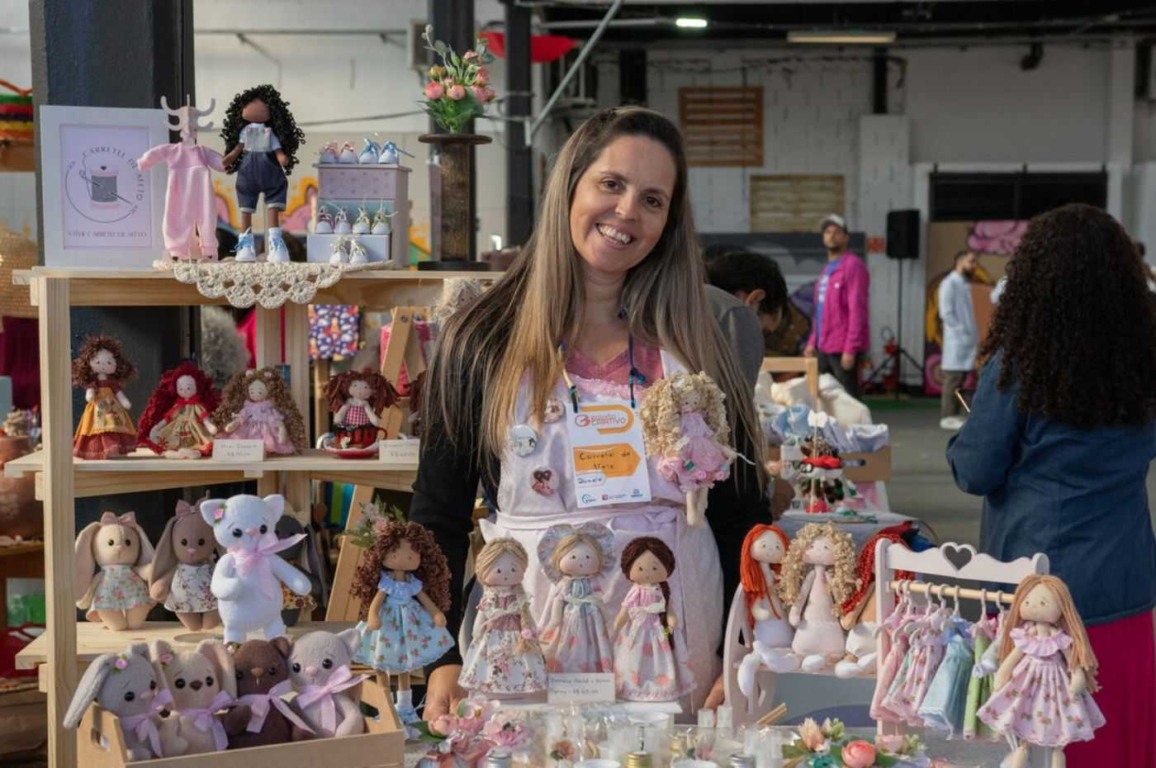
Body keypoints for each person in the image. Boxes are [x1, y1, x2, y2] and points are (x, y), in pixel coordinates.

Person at [409, 107, 770, 719]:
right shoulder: (480, 339)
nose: (628, 211)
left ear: (669, 222)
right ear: (569, 184)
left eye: (653, 200)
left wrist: (745, 646)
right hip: (522, 644)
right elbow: (436, 514)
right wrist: (439, 655)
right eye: (611, 184)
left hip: (677, 643)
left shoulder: (700, 342)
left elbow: (742, 514)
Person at [946, 203, 1156, 768]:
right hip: (1126, 585)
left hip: (1036, 595)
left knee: (1039, 750)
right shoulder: (1145, 365)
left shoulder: (1020, 365)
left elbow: (976, 470)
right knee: (1118, 744)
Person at [803, 214, 869, 397]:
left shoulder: (853, 266)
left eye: (837, 232)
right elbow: (820, 311)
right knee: (825, 399)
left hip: (842, 348)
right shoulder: (827, 270)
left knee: (848, 400)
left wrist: (850, 349)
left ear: (846, 237)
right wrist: (812, 342)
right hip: (823, 346)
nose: (832, 236)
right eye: (828, 232)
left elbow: (858, 310)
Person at [936, 250, 978, 431]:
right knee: (953, 379)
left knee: (961, 379)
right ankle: (947, 416)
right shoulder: (949, 284)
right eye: (971, 261)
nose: (974, 265)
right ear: (959, 262)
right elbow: (946, 313)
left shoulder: (965, 284)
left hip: (968, 340)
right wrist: (962, 333)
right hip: (957, 340)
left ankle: (957, 414)